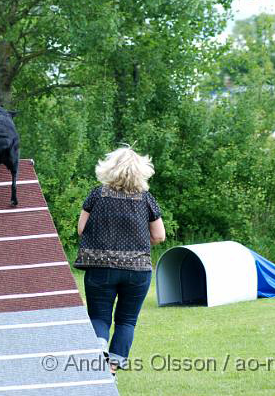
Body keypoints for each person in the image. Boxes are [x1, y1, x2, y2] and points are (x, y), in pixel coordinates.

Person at [73, 146, 166, 378]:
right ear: (140, 172)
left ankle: (100, 348)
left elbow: (81, 229)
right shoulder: (146, 199)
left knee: (98, 318)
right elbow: (159, 236)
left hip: (100, 269)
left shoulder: (97, 194)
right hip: (137, 272)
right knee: (126, 321)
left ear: (110, 169)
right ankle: (111, 370)